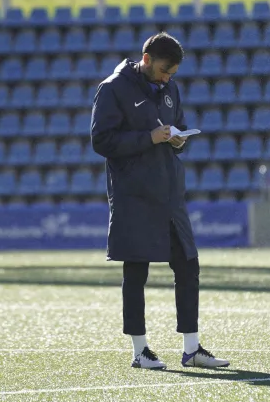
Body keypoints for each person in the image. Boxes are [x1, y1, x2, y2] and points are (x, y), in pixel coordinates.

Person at [90, 32, 229, 370]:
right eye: (165, 70)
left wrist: (179, 139)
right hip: (133, 196)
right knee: (136, 271)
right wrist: (148, 138)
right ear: (147, 59)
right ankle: (140, 351)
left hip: (169, 194)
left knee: (188, 265)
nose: (168, 78)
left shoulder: (170, 89)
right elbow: (101, 140)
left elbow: (176, 126)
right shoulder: (112, 89)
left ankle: (192, 349)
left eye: (173, 73)